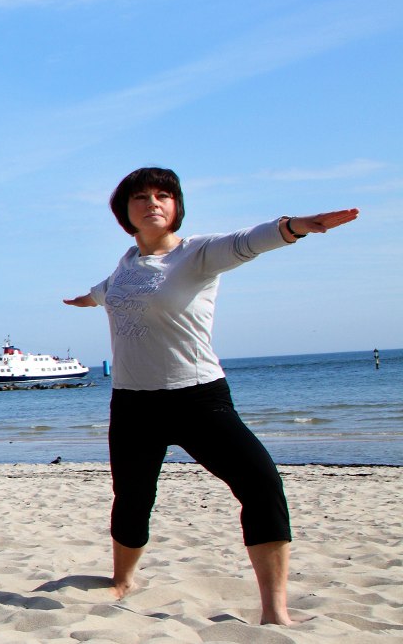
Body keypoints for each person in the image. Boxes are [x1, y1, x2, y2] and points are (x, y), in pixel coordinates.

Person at [62, 167, 358, 625]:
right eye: (140, 197)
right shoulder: (124, 266)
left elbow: (247, 241)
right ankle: (122, 581)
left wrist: (294, 227)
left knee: (261, 484)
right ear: (125, 212)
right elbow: (104, 294)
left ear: (177, 206)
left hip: (198, 398)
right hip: (133, 404)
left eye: (164, 195)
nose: (153, 203)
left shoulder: (198, 254)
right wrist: (86, 299)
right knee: (133, 498)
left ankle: (275, 611)